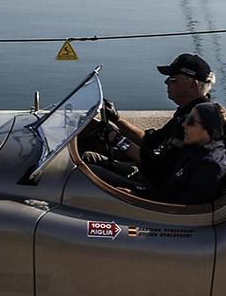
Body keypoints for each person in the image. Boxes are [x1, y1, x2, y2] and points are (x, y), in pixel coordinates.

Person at [89, 53, 216, 192]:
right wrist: (117, 119)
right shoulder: (187, 111)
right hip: (149, 174)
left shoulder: (196, 123)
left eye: (173, 79)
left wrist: (117, 139)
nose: (166, 82)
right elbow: (150, 140)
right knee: (88, 157)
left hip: (156, 188)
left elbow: (157, 167)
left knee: (86, 171)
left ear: (193, 85)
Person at [155, 102, 226, 205]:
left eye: (191, 121)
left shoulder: (210, 168)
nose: (183, 124)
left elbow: (187, 212)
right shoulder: (197, 151)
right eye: (186, 118)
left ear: (209, 131)